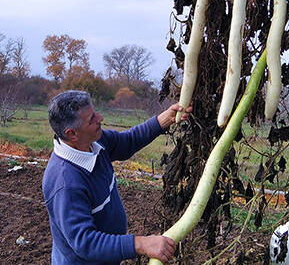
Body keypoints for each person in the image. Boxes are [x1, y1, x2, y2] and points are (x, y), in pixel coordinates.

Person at [42, 90, 191, 264]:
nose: (100, 118)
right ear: (71, 134)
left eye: (95, 112)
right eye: (92, 119)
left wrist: (166, 119)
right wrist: (141, 244)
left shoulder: (93, 141)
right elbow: (86, 243)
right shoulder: (65, 183)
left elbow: (126, 141)